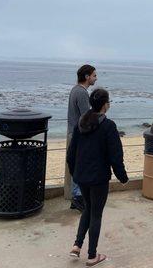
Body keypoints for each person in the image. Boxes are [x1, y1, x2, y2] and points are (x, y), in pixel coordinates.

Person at [66, 88, 128, 267]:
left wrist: (74, 172)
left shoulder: (81, 123)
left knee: (88, 209)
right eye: (109, 102)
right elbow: (115, 156)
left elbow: (72, 153)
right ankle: (92, 255)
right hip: (98, 177)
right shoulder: (108, 126)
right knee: (96, 214)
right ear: (105, 104)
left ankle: (77, 245)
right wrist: (122, 177)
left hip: (82, 175)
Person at [67, 64, 98, 211]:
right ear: (87, 76)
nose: (95, 78)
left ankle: (76, 197)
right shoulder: (81, 93)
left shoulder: (75, 90)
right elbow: (87, 116)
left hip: (73, 132)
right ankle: (78, 197)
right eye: (94, 76)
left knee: (76, 164)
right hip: (78, 135)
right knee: (80, 165)